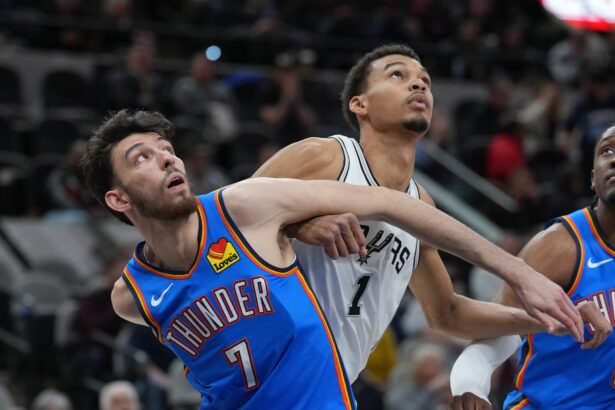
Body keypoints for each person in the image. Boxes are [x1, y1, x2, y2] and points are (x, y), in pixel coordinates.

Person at [81, 110, 583, 409]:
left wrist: (517, 272)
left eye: (166, 148)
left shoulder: (243, 207)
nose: (167, 158)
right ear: (118, 200)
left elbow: (392, 204)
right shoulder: (132, 297)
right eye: (141, 158)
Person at [253, 43, 582, 384]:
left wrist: (550, 320)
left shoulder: (421, 205)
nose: (419, 84)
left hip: (332, 384)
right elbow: (224, 221)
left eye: (425, 80)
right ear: (359, 104)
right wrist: (299, 225)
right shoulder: (327, 156)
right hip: (270, 370)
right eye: (398, 74)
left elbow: (447, 313)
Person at [449, 126, 615, 409]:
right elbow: (500, 327)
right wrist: (471, 383)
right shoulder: (561, 245)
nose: (613, 158)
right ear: (592, 179)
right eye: (607, 150)